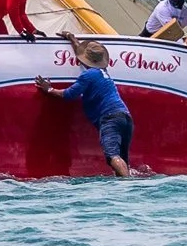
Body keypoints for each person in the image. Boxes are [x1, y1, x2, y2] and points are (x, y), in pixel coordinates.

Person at [34, 32, 133, 178]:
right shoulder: (103, 71)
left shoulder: (88, 75)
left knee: (112, 156)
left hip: (110, 118)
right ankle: (129, 184)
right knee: (122, 159)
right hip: (125, 118)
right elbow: (83, 58)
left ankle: (127, 185)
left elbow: (68, 94)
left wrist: (48, 89)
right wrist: (72, 38)